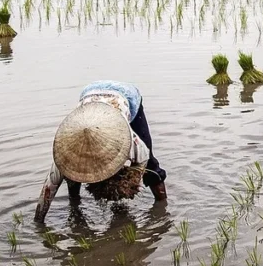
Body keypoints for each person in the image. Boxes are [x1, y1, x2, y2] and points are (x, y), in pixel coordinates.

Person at [35, 80, 167, 222]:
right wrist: (39, 221)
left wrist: (126, 184)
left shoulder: (133, 143)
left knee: (152, 167)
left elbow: (142, 163)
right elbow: (48, 190)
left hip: (126, 95)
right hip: (89, 94)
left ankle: (163, 208)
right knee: (71, 175)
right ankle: (75, 205)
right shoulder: (64, 155)